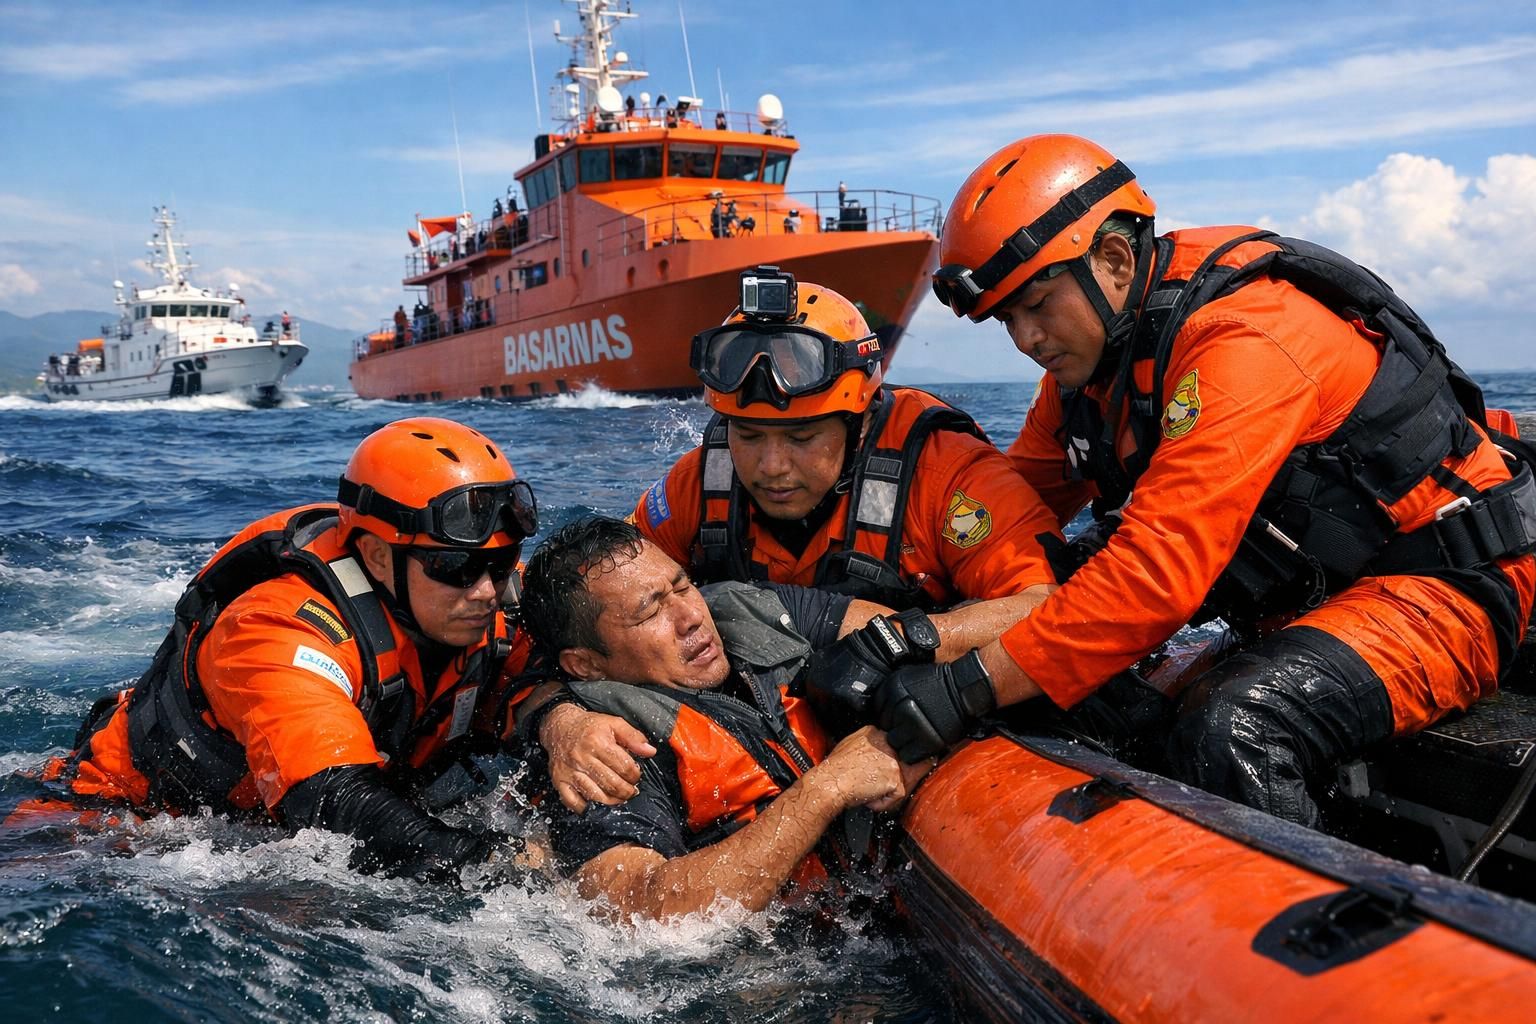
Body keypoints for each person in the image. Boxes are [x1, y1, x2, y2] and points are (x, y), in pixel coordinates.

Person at [884, 133, 1536, 826]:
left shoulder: (1240, 339)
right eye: (1008, 319)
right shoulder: (1083, 382)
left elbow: (1153, 578)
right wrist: (894, 608)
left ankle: (1291, 921)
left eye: (1037, 305)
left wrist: (965, 688)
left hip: (1439, 586)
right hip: (1316, 601)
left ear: (1113, 259)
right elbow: (1011, 509)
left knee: (1235, 726)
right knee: (1094, 696)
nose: (1027, 339)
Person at [47, 417, 543, 879]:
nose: (484, 590)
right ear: (376, 554)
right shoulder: (273, 630)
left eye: (501, 564)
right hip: (109, 828)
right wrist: (501, 870)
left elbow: (557, 671)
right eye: (455, 567)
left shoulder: (490, 597)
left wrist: (566, 721)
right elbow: (335, 797)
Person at [517, 516, 931, 920]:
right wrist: (829, 788)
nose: (691, 617)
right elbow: (642, 912)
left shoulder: (752, 613)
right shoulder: (604, 751)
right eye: (649, 613)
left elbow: (938, 634)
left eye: (682, 586)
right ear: (585, 665)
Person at [634, 266, 1063, 623]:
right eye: (747, 435)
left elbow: (1047, 604)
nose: (771, 466)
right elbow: (605, 584)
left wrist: (916, 639)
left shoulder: (947, 476)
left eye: (801, 437)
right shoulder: (701, 484)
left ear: (860, 423)